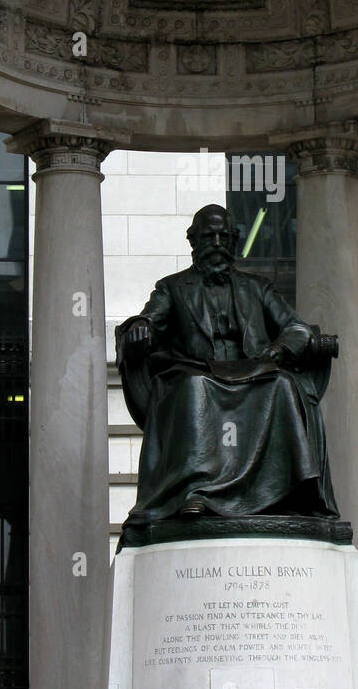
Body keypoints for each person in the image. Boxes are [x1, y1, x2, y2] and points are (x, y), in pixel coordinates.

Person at [116, 203, 339, 526]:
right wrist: (139, 329)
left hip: (255, 371)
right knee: (194, 388)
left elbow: (297, 327)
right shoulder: (172, 288)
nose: (217, 244)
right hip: (197, 370)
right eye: (209, 237)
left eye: (224, 237)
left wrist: (277, 352)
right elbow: (148, 320)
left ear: (234, 241)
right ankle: (194, 491)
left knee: (283, 386)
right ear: (194, 242)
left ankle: (292, 490)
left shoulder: (257, 287)